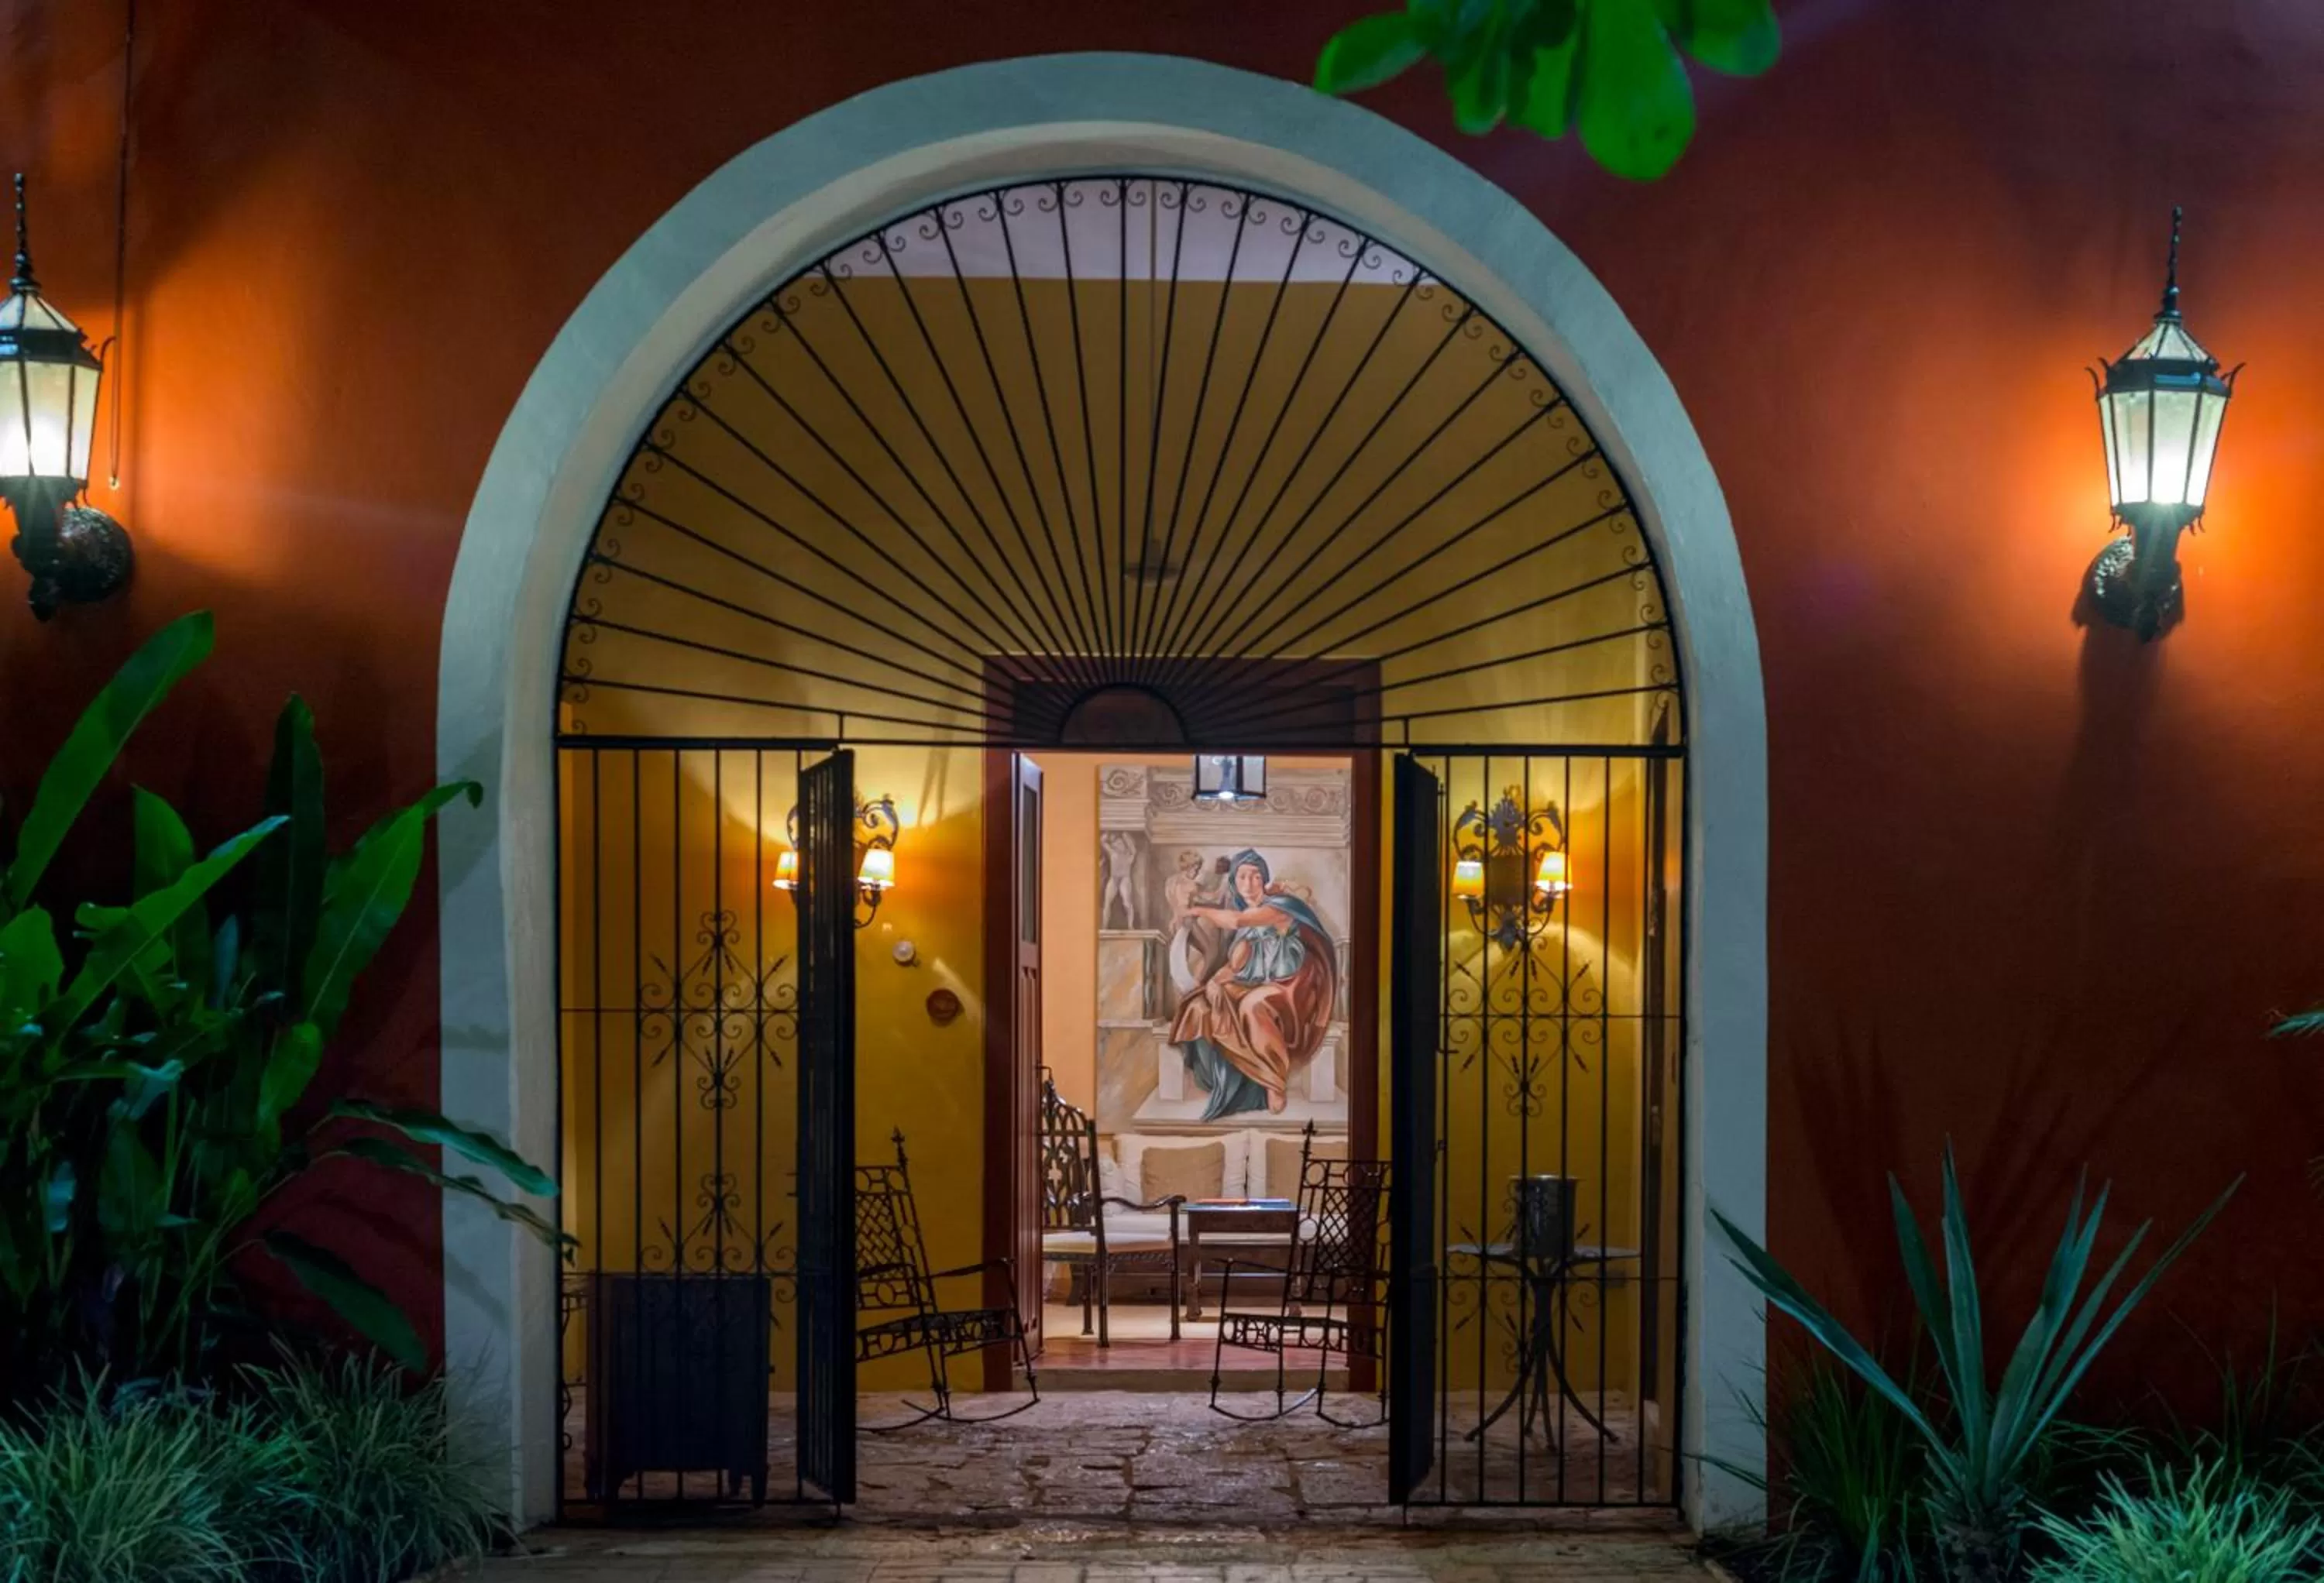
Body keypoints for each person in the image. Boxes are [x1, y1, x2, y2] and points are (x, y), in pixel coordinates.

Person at [1166, 848, 1337, 1121]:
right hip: (1259, 983)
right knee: (1200, 1005)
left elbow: (1236, 920)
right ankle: (1230, 1083)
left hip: (1294, 985)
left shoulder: (1281, 906)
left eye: (1256, 877)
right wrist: (1217, 980)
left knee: (1252, 1005)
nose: (1249, 883)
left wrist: (1195, 909)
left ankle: (1274, 1080)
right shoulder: (1248, 926)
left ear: (1265, 880)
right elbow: (1238, 964)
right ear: (1234, 883)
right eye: (1243, 877)